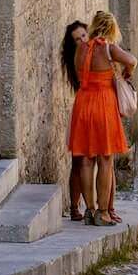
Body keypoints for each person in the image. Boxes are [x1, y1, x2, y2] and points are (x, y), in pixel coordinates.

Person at [68, 9, 136, 226]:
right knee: (105, 159)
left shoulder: (80, 49)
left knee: (86, 160)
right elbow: (132, 60)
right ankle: (103, 212)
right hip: (102, 103)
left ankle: (88, 210)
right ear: (111, 29)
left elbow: (79, 73)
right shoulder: (108, 48)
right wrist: (127, 72)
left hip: (83, 103)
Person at [59, 20, 91, 222]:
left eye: (83, 36)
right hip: (82, 109)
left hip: (92, 107)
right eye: (77, 39)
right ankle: (74, 206)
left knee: (91, 160)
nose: (81, 40)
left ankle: (91, 206)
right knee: (78, 160)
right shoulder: (77, 58)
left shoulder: (94, 51)